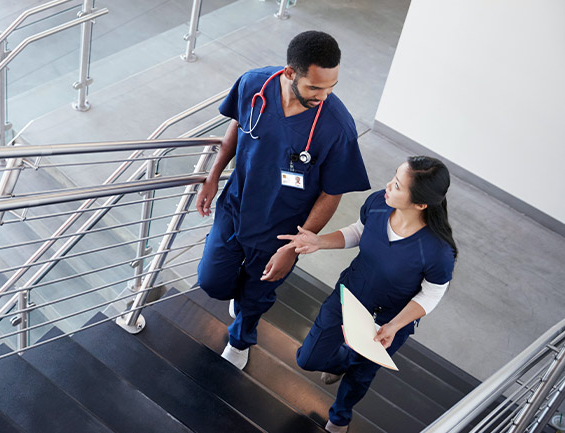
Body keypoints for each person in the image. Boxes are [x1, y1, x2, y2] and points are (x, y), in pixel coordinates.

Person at [195, 30, 370, 370]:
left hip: (281, 230)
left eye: (331, 87)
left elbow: (332, 192)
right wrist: (213, 175)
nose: (324, 96)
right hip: (235, 208)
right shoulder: (253, 85)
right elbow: (238, 126)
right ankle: (239, 297)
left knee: (257, 297)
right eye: (315, 88)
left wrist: (294, 246)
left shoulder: (337, 127)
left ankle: (240, 339)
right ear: (290, 73)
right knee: (211, 282)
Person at [277, 156, 458, 433]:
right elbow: (359, 232)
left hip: (389, 320)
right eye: (393, 177)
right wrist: (320, 241)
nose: (388, 185)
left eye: (397, 185)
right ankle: (343, 360)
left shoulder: (438, 251)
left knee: (361, 375)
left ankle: (340, 417)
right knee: (308, 359)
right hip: (350, 295)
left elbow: (431, 294)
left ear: (420, 204)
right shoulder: (378, 203)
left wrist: (394, 326)